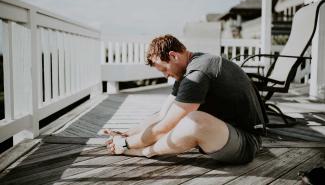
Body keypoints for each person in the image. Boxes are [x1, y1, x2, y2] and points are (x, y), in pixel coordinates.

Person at [105, 34, 264, 164]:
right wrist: (126, 134)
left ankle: (144, 152)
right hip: (225, 134)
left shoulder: (197, 74)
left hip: (246, 142)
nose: (166, 75)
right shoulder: (188, 70)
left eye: (164, 69)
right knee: (176, 117)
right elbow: (162, 115)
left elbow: (166, 126)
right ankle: (137, 147)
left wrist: (125, 144)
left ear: (173, 56)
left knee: (194, 121)